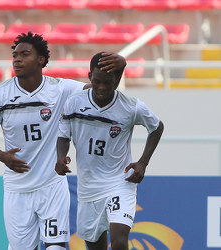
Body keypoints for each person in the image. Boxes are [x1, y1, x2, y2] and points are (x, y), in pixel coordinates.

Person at [0, 32, 127, 250]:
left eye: (24, 54)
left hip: (52, 185)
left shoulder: (59, 89)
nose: (17, 60)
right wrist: (2, 156)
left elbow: (101, 89)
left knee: (56, 246)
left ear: (41, 60)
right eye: (15, 55)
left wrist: (121, 66)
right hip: (17, 188)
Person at [56, 52, 164, 250]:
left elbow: (157, 127)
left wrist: (143, 163)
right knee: (96, 246)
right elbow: (63, 135)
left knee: (119, 240)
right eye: (97, 81)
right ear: (89, 77)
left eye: (108, 82)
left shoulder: (131, 107)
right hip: (88, 188)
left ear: (117, 81)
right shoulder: (74, 102)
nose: (102, 88)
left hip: (120, 182)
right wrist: (60, 157)